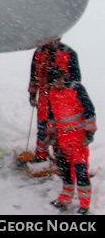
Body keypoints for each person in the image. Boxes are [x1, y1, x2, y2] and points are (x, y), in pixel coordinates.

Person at [47, 67, 94, 214]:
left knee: (80, 170)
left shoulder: (76, 88)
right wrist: (52, 134)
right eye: (55, 82)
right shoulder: (52, 93)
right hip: (63, 138)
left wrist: (90, 132)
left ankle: (85, 204)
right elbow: (52, 115)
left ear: (63, 77)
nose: (58, 84)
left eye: (60, 80)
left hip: (78, 137)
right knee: (65, 170)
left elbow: (89, 110)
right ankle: (65, 198)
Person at [29, 38, 81, 163]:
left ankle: (61, 159)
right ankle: (40, 157)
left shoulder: (69, 53)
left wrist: (71, 96)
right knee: (43, 129)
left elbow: (76, 80)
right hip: (44, 97)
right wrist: (32, 94)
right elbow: (34, 75)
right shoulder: (39, 52)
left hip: (61, 99)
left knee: (60, 129)